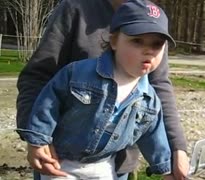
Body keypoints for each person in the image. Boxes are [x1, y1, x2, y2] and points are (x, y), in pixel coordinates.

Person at [16, 0, 189, 179]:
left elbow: (158, 94)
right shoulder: (75, 9)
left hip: (113, 165)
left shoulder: (153, 18)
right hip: (59, 161)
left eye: (156, 44)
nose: (148, 50)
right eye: (137, 40)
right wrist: (36, 137)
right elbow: (39, 79)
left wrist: (174, 152)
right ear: (113, 40)